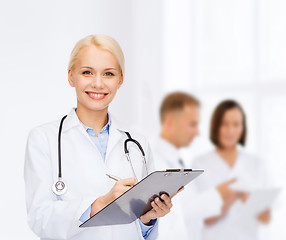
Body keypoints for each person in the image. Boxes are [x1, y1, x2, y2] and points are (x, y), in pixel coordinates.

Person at [24, 34, 174, 240]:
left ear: (120, 80)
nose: (98, 83)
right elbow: (40, 219)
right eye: (87, 72)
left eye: (108, 74)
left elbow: (140, 227)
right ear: (71, 77)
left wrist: (148, 219)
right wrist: (99, 204)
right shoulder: (43, 139)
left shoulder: (137, 144)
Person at [151, 92, 237, 240]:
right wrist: (219, 194)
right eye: (192, 124)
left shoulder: (178, 160)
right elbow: (176, 213)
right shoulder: (154, 161)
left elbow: (191, 214)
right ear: (170, 122)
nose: (197, 132)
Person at [192, 100, 271, 240]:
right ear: (216, 126)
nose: (230, 130)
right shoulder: (200, 164)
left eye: (236, 124)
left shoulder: (257, 164)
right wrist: (234, 194)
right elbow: (206, 218)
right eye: (225, 124)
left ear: (243, 128)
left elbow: (266, 217)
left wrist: (246, 198)